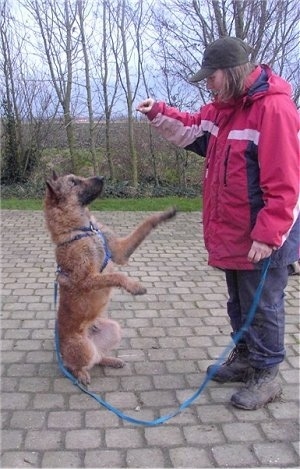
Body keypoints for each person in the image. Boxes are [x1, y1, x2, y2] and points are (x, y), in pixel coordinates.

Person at [136, 36, 299, 410]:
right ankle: (244, 359)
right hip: (233, 232)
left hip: (263, 236)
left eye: (212, 76)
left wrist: (269, 234)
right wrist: (157, 111)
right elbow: (193, 129)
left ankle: (267, 374)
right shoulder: (223, 110)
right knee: (239, 303)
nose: (208, 83)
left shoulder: (274, 110)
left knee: (264, 306)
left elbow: (287, 183)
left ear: (232, 72)